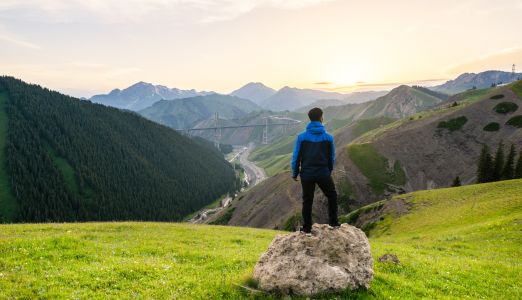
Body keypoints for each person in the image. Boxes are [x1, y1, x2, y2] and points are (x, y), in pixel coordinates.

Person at [291, 107, 340, 234]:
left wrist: (295, 173)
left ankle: (307, 228)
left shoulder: (301, 137)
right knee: (332, 196)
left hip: (306, 174)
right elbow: (331, 157)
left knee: (307, 200)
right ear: (321, 118)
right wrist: (328, 170)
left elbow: (296, 156)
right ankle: (334, 223)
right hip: (323, 173)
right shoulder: (328, 137)